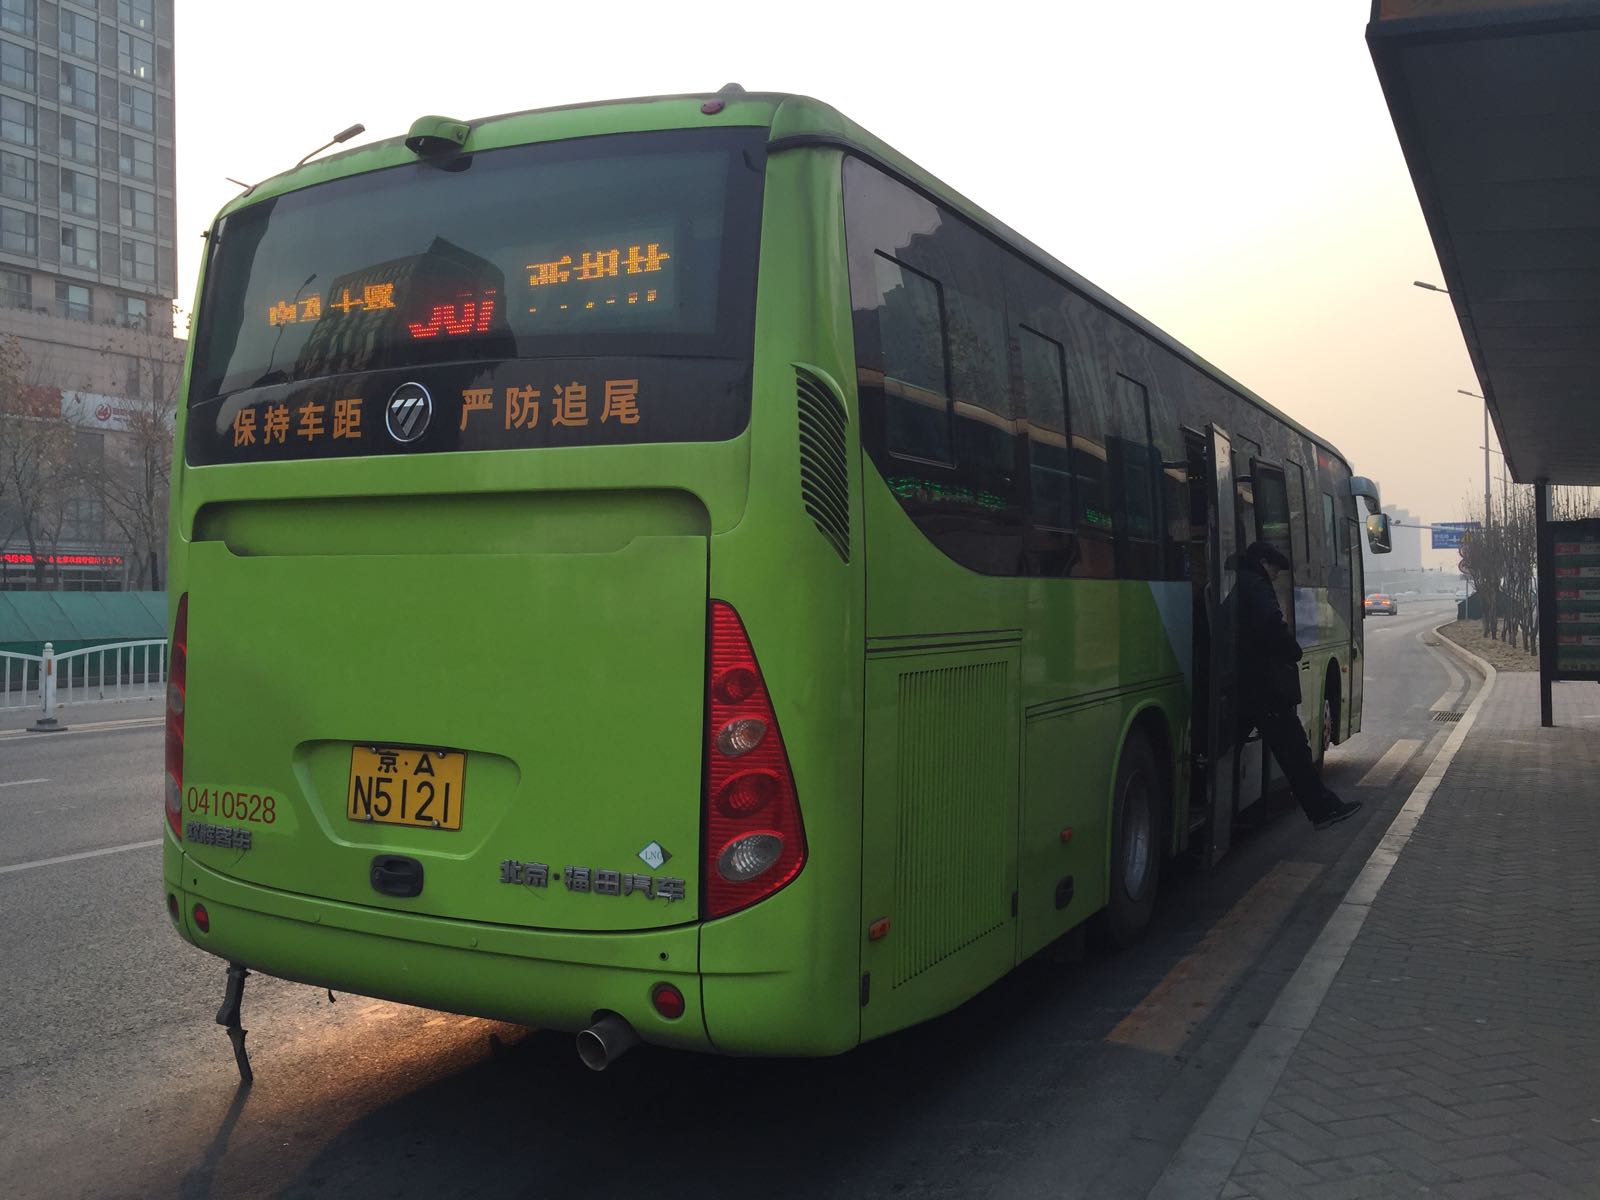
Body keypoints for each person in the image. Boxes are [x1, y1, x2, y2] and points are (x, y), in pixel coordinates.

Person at [1235, 541, 1362, 830]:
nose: (1275, 577)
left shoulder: (1238, 582)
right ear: (1263, 562)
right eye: (1275, 570)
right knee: (1295, 752)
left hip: (1246, 685)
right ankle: (1323, 810)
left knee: (1236, 744)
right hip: (1263, 687)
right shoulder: (1256, 584)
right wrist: (1292, 650)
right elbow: (1271, 624)